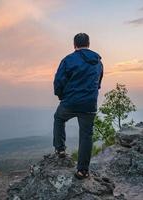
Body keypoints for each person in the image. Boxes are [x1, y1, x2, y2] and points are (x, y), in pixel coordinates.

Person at [53, 33, 103, 179]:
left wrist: (62, 96)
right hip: (89, 103)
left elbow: (58, 82)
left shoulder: (68, 60)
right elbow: (98, 83)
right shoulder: (98, 62)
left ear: (74, 45)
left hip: (71, 101)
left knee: (59, 118)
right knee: (86, 135)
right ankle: (83, 170)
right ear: (89, 43)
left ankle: (60, 149)